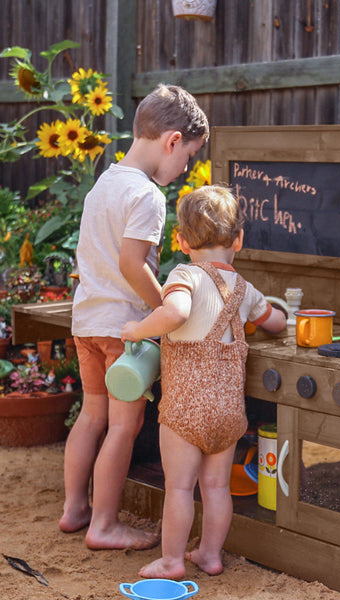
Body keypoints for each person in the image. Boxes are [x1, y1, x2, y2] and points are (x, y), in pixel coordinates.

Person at [59, 84, 210, 551]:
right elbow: (132, 264)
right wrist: (165, 304)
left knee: (91, 418)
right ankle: (104, 525)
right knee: (124, 426)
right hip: (123, 330)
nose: (184, 166)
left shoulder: (105, 182)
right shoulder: (147, 195)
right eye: (188, 155)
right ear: (171, 140)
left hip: (87, 323)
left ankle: (75, 509)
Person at [121, 186, 287, 579]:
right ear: (239, 240)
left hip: (184, 412)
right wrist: (278, 315)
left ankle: (173, 560)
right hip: (229, 413)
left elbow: (175, 312)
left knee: (179, 488)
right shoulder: (245, 290)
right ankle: (210, 555)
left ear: (180, 241)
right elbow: (277, 323)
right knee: (216, 489)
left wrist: (137, 330)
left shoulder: (184, 275)